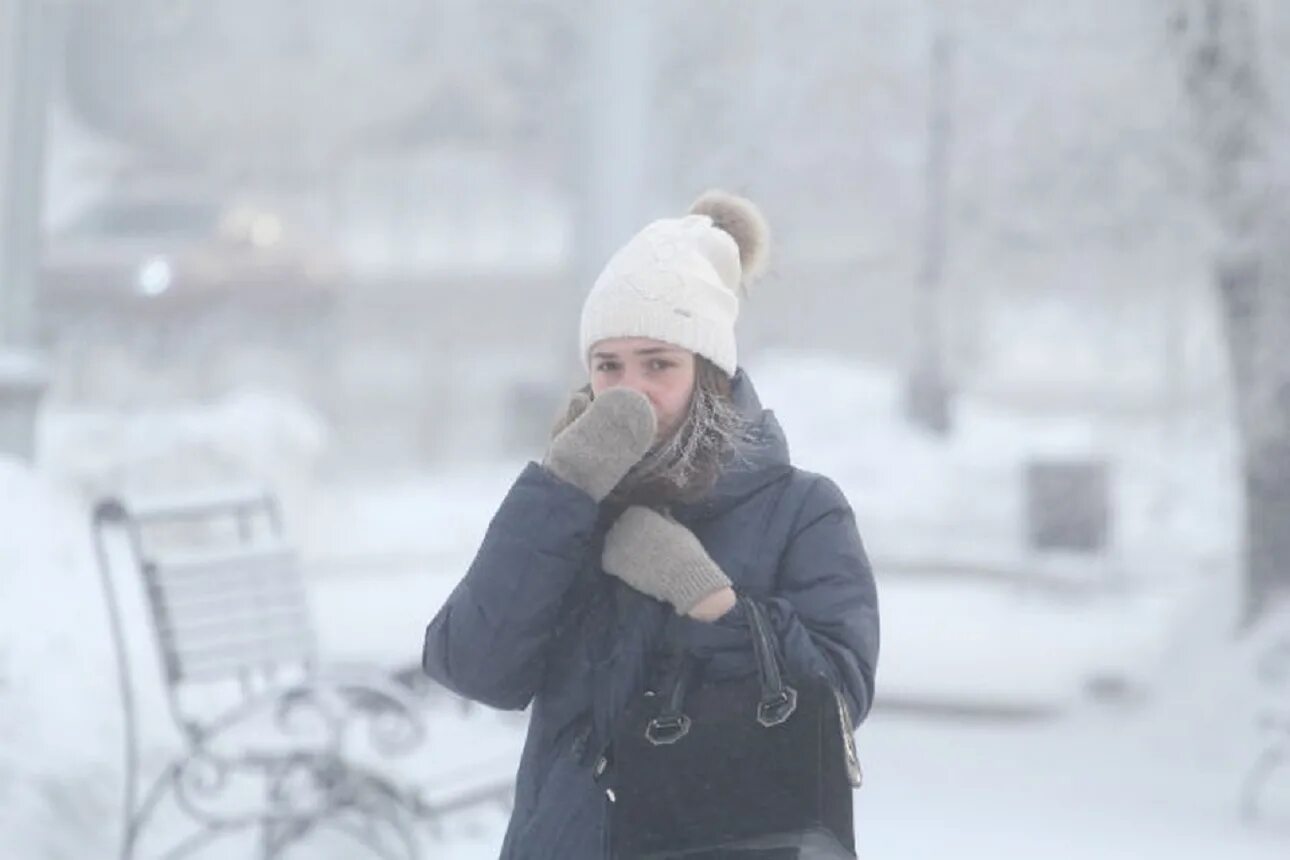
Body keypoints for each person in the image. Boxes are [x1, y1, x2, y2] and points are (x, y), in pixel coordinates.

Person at [422, 191, 880, 858]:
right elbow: (473, 667)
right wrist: (560, 492)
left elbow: (834, 697)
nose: (630, 388)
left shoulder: (804, 509)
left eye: (658, 363)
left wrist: (709, 600)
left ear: (711, 374)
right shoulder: (569, 505)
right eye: (609, 365)